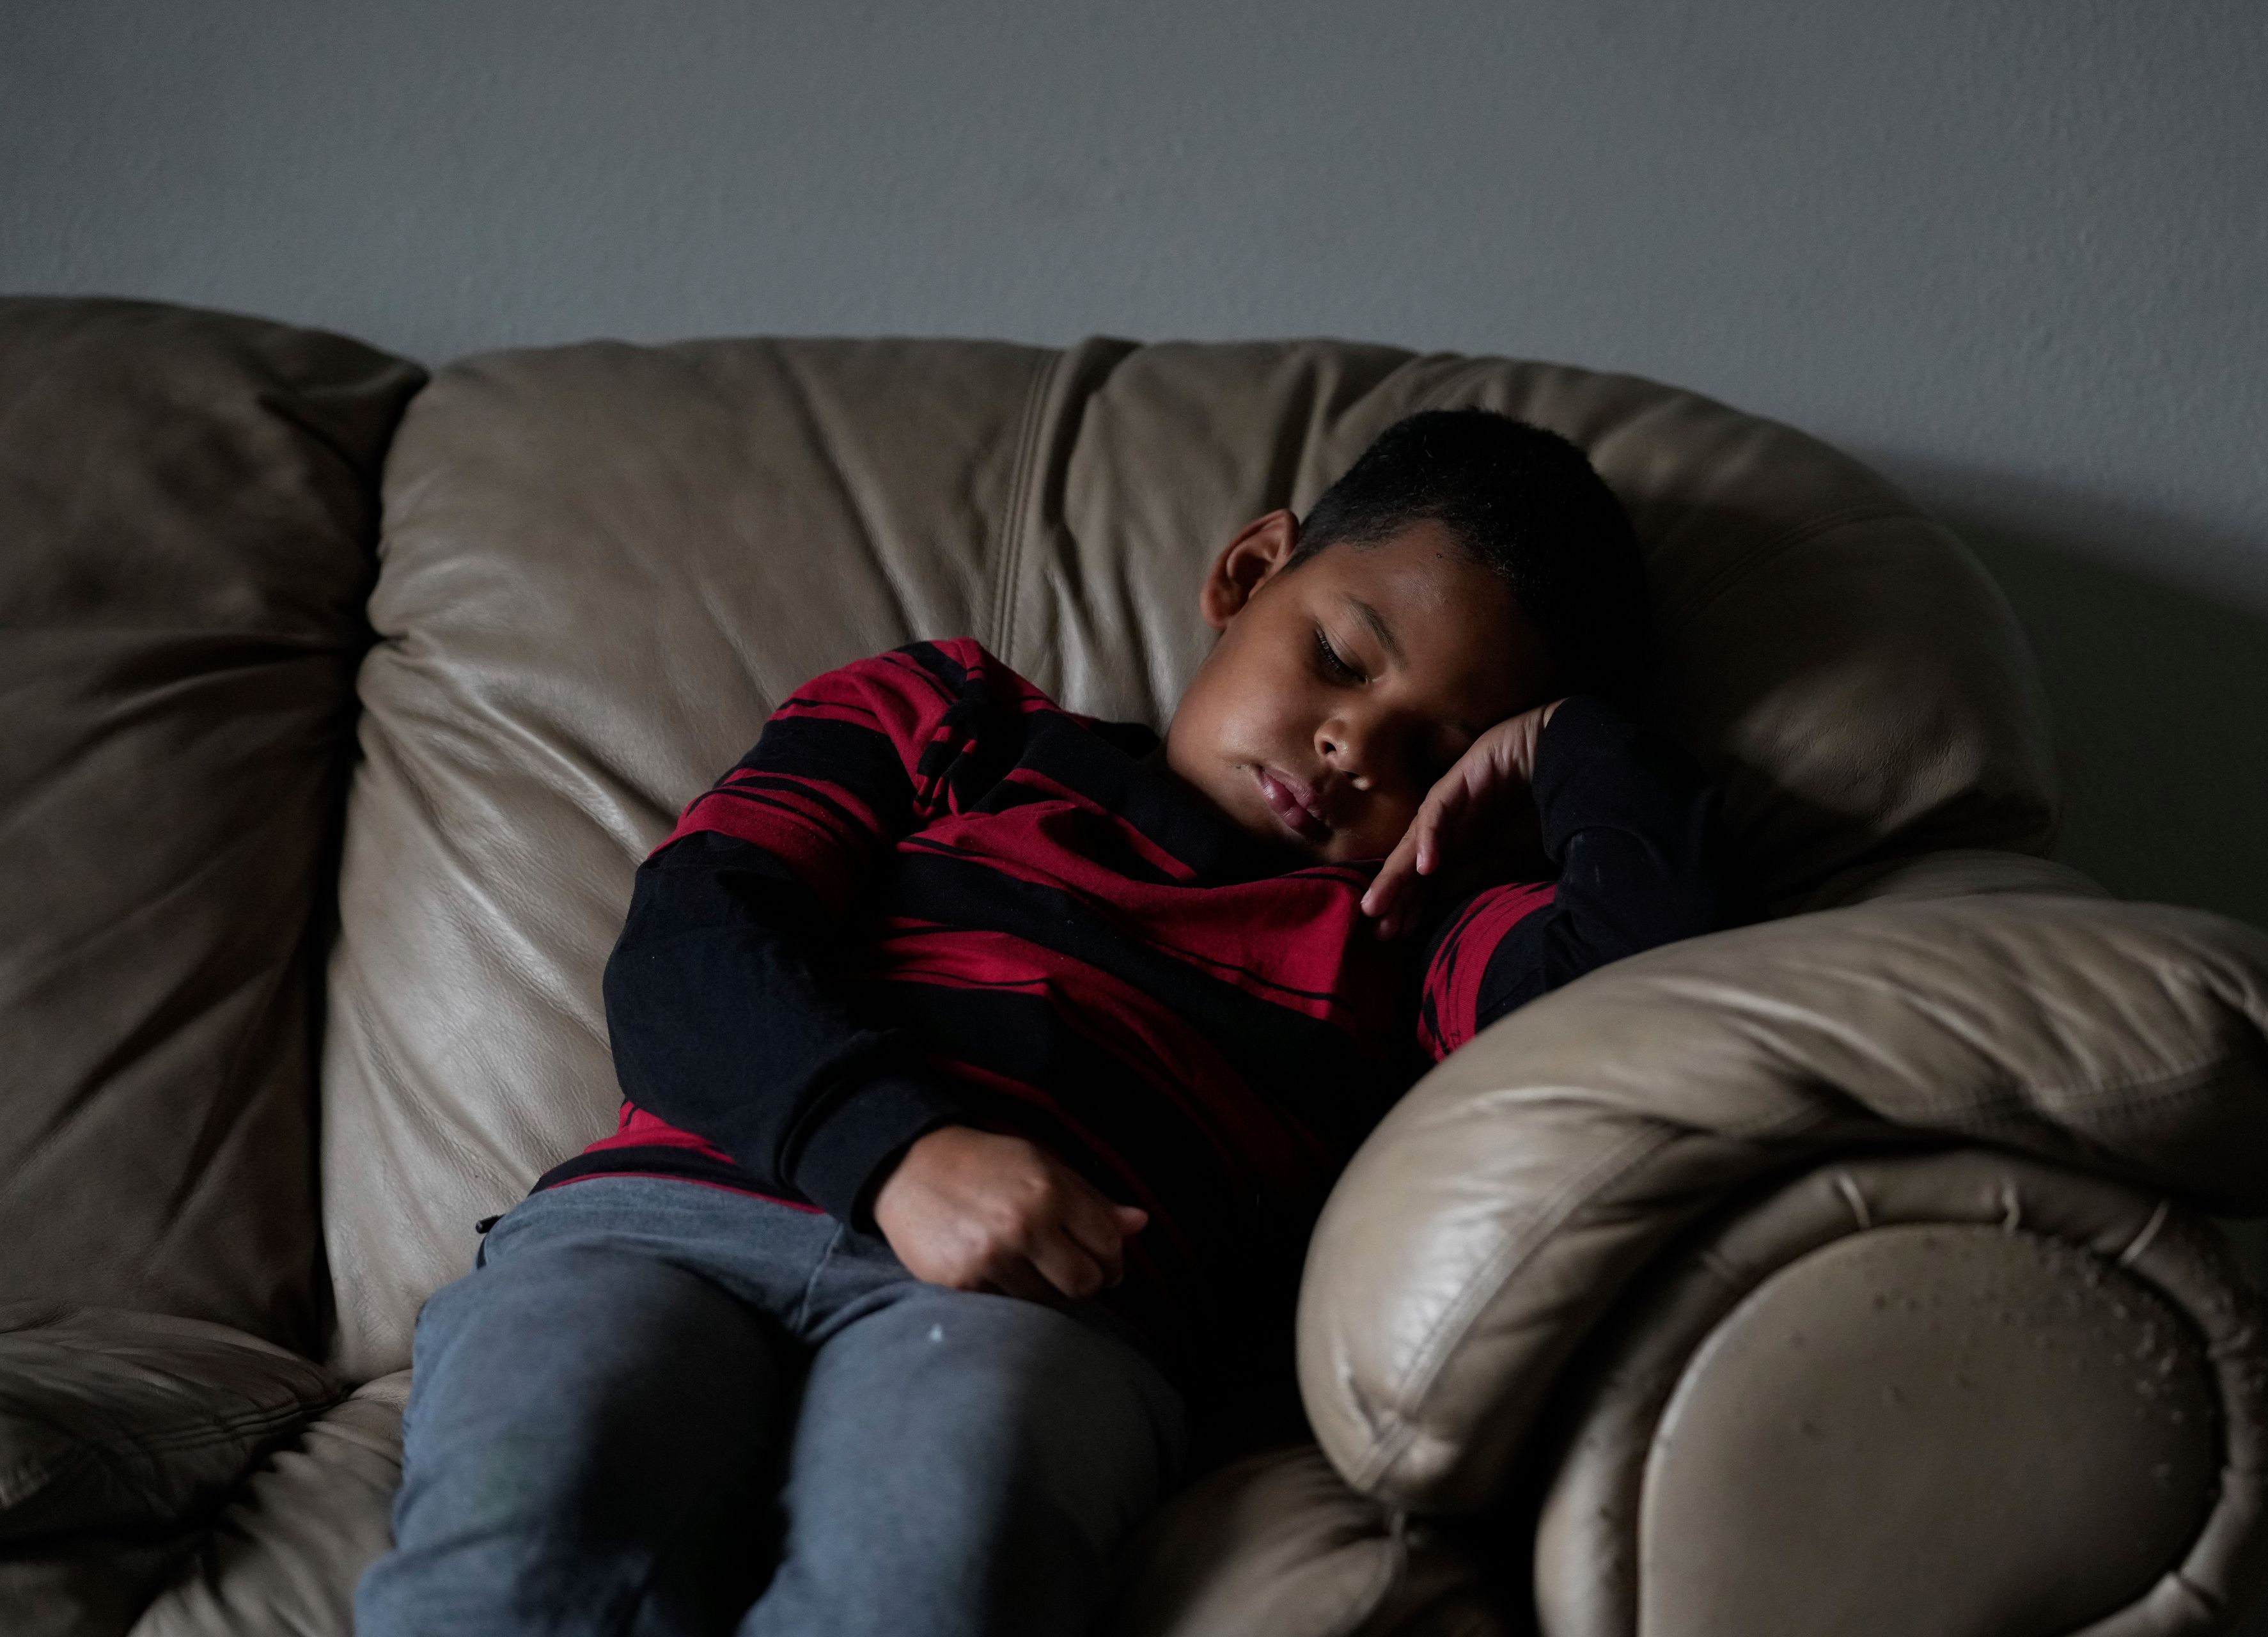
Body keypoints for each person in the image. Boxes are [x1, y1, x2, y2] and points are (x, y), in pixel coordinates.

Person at [355, 409, 1738, 1637]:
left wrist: (1575, 748)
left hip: (1037, 1314)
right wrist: (898, 1150)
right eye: (1340, 659)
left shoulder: (1412, 934)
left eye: (1437, 750)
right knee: (527, 1535)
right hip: (669, 1222)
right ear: (1249, 572)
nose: (1356, 748)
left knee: (930, 1573)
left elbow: (1645, 982)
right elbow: (689, 939)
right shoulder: (950, 716)